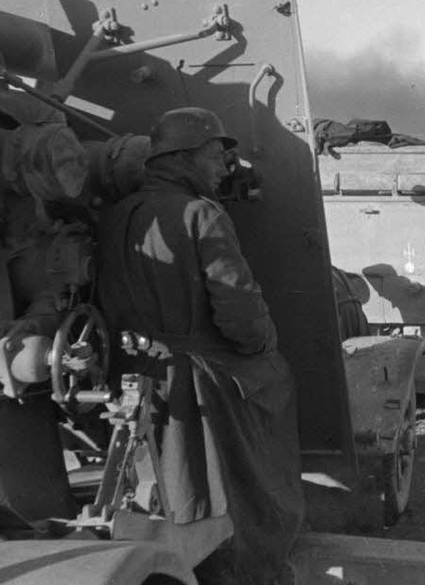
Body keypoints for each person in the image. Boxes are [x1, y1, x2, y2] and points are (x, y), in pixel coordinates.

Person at [96, 107, 303, 585]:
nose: (221, 168)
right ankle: (258, 563)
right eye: (213, 156)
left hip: (132, 368)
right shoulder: (201, 214)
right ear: (182, 158)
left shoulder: (115, 215)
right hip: (197, 374)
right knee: (275, 390)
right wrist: (263, 347)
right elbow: (241, 314)